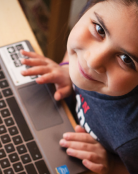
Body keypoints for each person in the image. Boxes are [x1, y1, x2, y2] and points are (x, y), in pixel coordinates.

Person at [20, 0, 138, 173]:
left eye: (126, 59)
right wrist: (68, 67)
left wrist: (112, 165)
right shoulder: (109, 10)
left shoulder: (132, 139)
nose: (92, 61)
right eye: (99, 30)